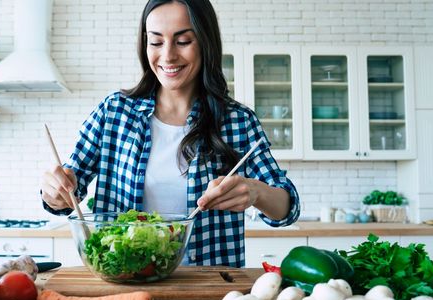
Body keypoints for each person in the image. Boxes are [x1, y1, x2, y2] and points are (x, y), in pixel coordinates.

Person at [41, 0, 300, 267]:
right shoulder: (113, 112)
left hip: (209, 289)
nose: (168, 56)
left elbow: (288, 208)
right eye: (155, 42)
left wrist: (256, 192)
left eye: (183, 41)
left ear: (205, 42)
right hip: (124, 284)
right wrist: (55, 192)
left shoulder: (237, 121)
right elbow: (69, 189)